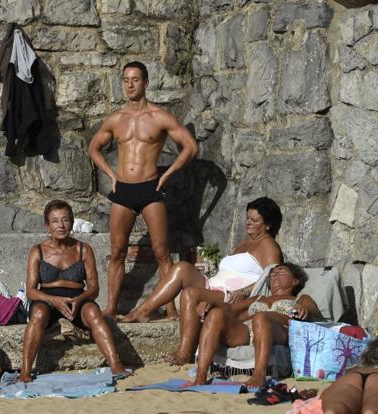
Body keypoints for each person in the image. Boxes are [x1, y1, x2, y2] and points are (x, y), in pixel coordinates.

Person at [88, 61, 199, 320]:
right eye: (126, 80)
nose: (129, 84)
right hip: (123, 189)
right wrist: (111, 174)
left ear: (146, 82)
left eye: (135, 79)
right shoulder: (116, 119)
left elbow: (191, 147)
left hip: (151, 188)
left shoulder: (160, 116)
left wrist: (168, 174)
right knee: (117, 251)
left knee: (162, 252)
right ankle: (112, 308)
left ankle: (170, 307)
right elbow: (94, 148)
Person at [120, 196, 282, 326]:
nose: (248, 223)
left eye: (254, 220)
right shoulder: (244, 243)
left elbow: (273, 278)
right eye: (248, 218)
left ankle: (142, 312)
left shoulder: (268, 245)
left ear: (267, 225)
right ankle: (143, 310)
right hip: (212, 287)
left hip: (230, 297)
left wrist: (245, 292)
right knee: (182, 267)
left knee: (190, 290)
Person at [18, 200, 129, 382]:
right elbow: (31, 291)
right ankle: (25, 371)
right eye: (55, 221)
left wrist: (80, 298)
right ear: (47, 225)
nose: (61, 225)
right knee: (37, 313)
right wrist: (53, 301)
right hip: (47, 299)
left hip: (77, 298)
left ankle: (115, 366)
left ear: (71, 222)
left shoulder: (83, 249)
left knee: (93, 312)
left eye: (66, 220)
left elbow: (94, 288)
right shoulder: (37, 251)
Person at [191, 263, 320, 388]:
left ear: (295, 281)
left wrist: (304, 309)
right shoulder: (259, 298)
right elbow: (230, 310)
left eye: (281, 273)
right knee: (215, 314)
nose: (275, 275)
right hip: (249, 330)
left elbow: (314, 312)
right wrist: (210, 305)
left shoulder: (300, 299)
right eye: (272, 274)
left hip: (280, 329)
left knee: (261, 316)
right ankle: (201, 374)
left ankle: (259, 374)